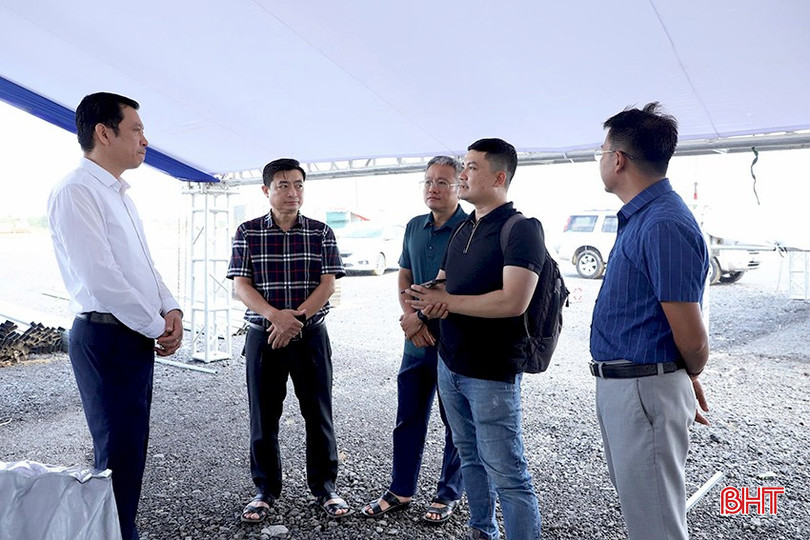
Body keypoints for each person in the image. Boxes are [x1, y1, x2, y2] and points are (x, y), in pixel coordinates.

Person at [47, 92, 184, 540]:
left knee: (130, 451)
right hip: (106, 336)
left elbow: (142, 265)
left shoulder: (119, 194)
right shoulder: (76, 191)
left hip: (130, 334)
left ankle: (122, 530)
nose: (145, 140)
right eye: (137, 130)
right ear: (104, 133)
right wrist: (156, 325)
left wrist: (170, 308)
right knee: (116, 455)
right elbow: (101, 277)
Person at [407, 139, 544, 540]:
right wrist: (421, 303)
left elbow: (513, 301)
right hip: (450, 363)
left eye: (471, 167)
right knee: (469, 456)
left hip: (491, 371)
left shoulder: (521, 229)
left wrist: (446, 301)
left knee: (508, 472)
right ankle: (482, 530)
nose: (462, 174)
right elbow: (445, 282)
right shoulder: (466, 226)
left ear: (499, 178)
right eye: (463, 166)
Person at [589, 102, 710, 540]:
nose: (601, 159)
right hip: (634, 386)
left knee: (656, 526)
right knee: (646, 517)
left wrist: (684, 372)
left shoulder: (662, 223)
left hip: (644, 389)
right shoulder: (645, 217)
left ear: (619, 159)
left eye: (602, 151)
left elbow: (692, 337)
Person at [226, 158, 351, 522]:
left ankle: (325, 487)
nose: (293, 192)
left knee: (318, 412)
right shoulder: (248, 232)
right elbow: (241, 286)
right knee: (264, 416)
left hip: (310, 335)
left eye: (298, 185)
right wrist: (275, 316)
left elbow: (327, 284)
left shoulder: (320, 232)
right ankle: (265, 490)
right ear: (266, 190)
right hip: (263, 336)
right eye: (283, 185)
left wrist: (294, 321)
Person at [361, 156, 466, 523]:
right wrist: (411, 319)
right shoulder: (413, 225)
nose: (433, 188)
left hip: (453, 344)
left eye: (442, 182)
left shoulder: (469, 228)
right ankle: (401, 489)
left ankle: (448, 494)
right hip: (415, 342)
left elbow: (456, 287)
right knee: (408, 418)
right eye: (428, 181)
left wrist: (419, 319)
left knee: (456, 423)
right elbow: (404, 275)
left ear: (459, 187)